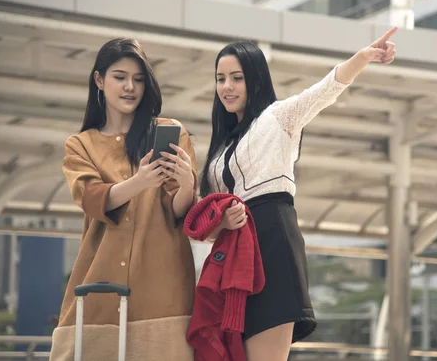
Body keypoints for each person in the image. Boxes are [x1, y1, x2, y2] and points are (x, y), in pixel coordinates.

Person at [198, 27, 398, 361]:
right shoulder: (221, 145)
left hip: (273, 243)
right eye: (221, 79)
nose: (227, 87)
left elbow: (327, 89)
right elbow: (205, 223)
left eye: (237, 77)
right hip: (233, 254)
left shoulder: (279, 117)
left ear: (256, 79)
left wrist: (363, 57)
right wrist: (221, 221)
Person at [50, 38, 198, 361]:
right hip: (97, 292)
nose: (130, 87)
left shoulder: (172, 132)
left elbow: (177, 210)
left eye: (139, 79)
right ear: (99, 80)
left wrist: (188, 186)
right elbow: (91, 199)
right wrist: (139, 182)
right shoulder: (81, 145)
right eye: (120, 77)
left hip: (165, 295)